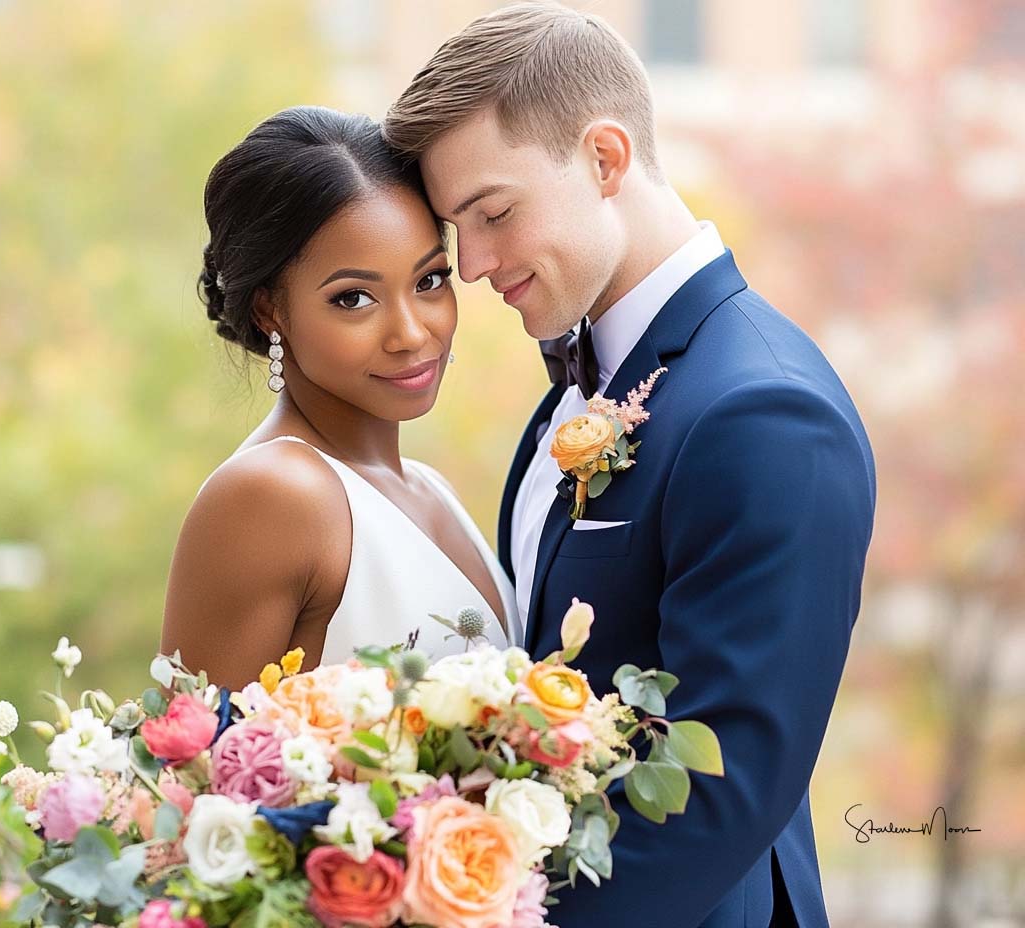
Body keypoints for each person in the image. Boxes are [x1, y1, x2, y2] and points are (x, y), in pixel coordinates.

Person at [383, 4, 876, 926]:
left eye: (492, 214)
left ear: (605, 159)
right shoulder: (586, 382)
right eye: (459, 231)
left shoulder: (766, 414)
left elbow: (719, 791)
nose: (477, 265)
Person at [161, 106, 516, 691]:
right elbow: (193, 770)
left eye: (429, 281)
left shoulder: (431, 489)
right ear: (270, 309)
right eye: (354, 299)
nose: (411, 333)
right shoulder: (272, 496)